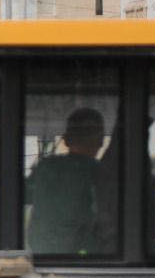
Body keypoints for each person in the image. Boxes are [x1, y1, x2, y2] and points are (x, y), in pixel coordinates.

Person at [25, 107, 106, 254]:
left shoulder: (46, 167)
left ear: (66, 139)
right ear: (100, 141)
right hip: (85, 256)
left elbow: (24, 195)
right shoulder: (101, 173)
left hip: (42, 254)